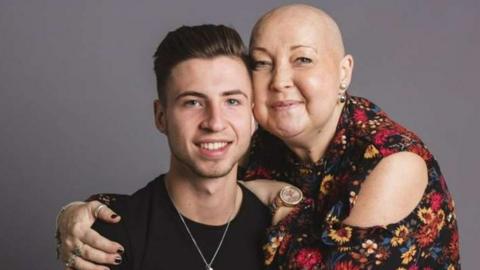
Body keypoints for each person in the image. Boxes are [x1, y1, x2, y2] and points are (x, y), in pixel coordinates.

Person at [57, 4, 460, 269]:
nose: (280, 81)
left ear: (344, 71)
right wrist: (80, 213)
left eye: (302, 59)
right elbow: (187, 193)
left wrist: (280, 201)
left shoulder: (393, 162)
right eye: (263, 64)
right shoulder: (264, 135)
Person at [57, 24, 299, 270]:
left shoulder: (284, 226)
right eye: (193, 102)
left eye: (232, 101)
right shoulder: (110, 236)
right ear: (161, 117)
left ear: (252, 116)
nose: (215, 122)